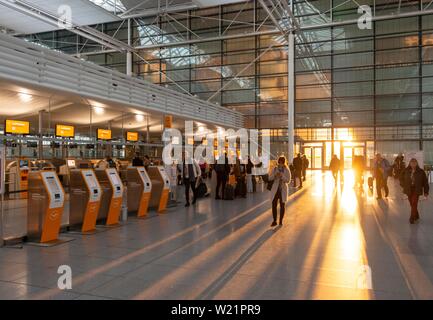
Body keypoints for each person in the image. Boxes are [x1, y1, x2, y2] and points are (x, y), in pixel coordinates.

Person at [401, 158, 429, 224]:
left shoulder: (421, 171)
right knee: (411, 203)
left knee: (414, 203)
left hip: (417, 189)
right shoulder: (406, 170)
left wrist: (426, 191)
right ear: (410, 163)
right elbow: (400, 178)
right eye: (412, 162)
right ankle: (416, 215)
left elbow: (425, 182)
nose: (413, 164)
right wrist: (403, 185)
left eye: (414, 162)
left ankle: (412, 217)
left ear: (417, 163)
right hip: (408, 189)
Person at [269, 156, 291, 227]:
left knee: (282, 205)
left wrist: (282, 176)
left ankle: (280, 221)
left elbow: (288, 180)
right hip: (275, 190)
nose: (280, 164)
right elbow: (270, 178)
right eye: (279, 162)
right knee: (274, 205)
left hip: (282, 190)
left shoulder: (287, 170)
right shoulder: (275, 168)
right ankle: (274, 220)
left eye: (282, 163)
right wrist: (275, 175)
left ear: (284, 163)